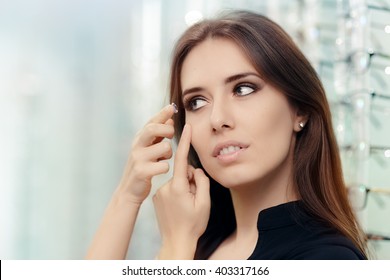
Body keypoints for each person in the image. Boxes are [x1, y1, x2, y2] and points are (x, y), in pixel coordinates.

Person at [86, 10, 368, 260]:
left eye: (243, 89)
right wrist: (128, 196)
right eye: (196, 102)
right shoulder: (203, 245)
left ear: (301, 111)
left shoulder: (329, 258)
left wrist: (176, 245)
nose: (217, 119)